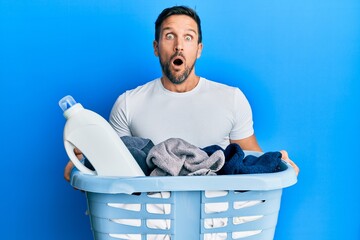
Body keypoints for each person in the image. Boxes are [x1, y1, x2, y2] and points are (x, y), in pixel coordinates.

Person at [64, 5, 299, 181]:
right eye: (169, 36)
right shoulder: (128, 103)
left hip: (216, 219)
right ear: (156, 48)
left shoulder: (231, 99)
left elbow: (249, 162)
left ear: (198, 50)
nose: (179, 45)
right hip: (148, 222)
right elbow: (114, 164)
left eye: (188, 37)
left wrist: (278, 163)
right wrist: (86, 158)